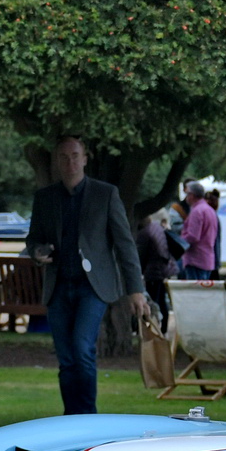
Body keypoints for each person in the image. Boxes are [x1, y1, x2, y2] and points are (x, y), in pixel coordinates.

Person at [23, 136, 148, 415]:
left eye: (75, 155)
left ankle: (87, 417)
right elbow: (33, 241)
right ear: (57, 160)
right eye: (64, 157)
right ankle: (72, 418)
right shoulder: (45, 198)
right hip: (57, 286)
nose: (71, 162)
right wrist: (38, 252)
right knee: (66, 358)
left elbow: (125, 244)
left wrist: (135, 289)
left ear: (85, 158)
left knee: (82, 349)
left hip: (92, 288)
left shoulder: (105, 194)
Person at [136, 211, 178, 333]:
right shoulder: (156, 226)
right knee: (162, 301)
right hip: (165, 269)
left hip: (154, 272)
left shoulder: (144, 233)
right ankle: (163, 329)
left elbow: (141, 256)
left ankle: (155, 328)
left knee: (153, 302)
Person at [179, 179, 219, 280]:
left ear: (192, 195)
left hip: (195, 260)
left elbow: (193, 236)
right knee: (203, 293)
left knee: (194, 293)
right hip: (208, 259)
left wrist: (179, 240)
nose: (186, 197)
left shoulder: (196, 211)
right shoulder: (210, 210)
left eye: (187, 193)